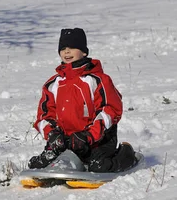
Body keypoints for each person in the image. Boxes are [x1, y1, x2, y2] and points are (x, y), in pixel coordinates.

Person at [28, 28, 137, 173]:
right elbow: (44, 116)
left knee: (98, 166)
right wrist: (52, 135)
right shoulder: (53, 84)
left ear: (84, 52)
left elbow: (111, 110)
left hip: (98, 140)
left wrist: (89, 136)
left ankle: (126, 154)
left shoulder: (98, 80)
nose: (67, 52)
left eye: (72, 48)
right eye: (63, 48)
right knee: (38, 166)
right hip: (66, 141)